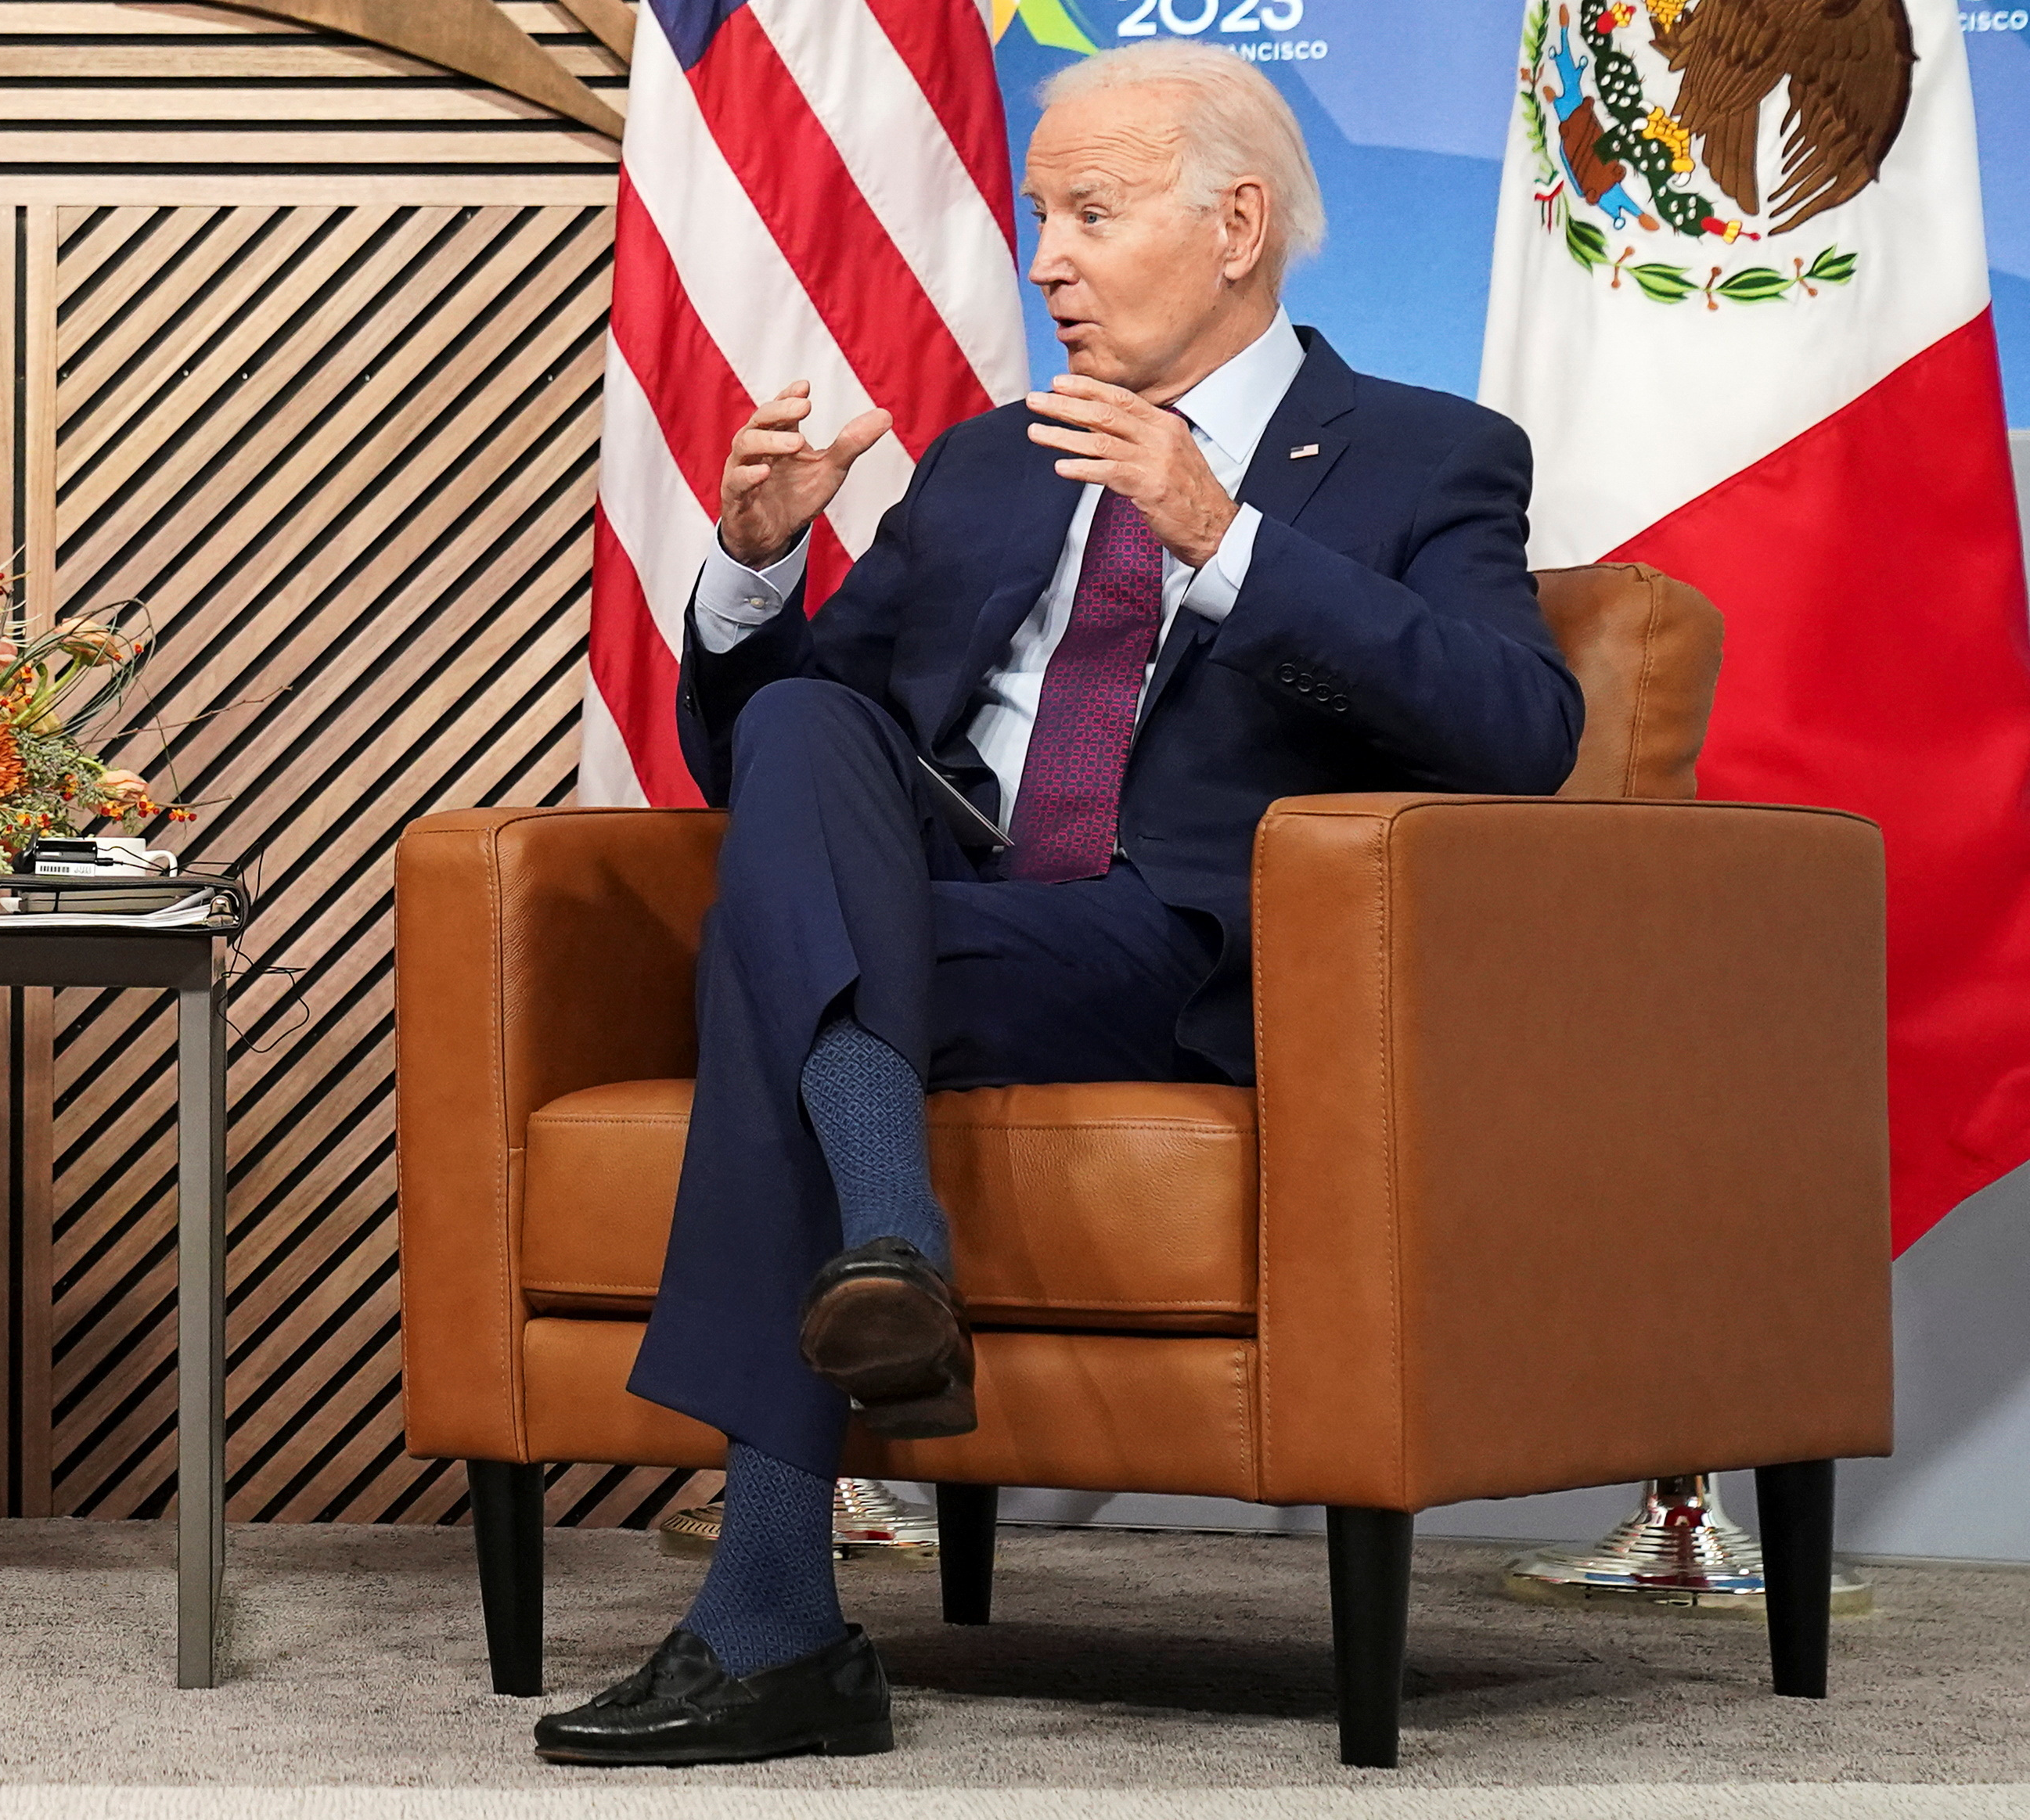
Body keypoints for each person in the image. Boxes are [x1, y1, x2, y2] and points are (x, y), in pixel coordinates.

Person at [531, 41, 1583, 1766]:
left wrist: (1224, 536)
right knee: (805, 717)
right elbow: (782, 766)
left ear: (1235, 223)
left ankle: (776, 1606)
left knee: (779, 965)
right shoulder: (986, 464)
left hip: (1174, 946)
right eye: (1038, 215)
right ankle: (889, 1236)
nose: (1046, 260)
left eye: (1089, 213)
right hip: (949, 922)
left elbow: (1521, 729)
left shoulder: (1423, 455)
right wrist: (756, 567)